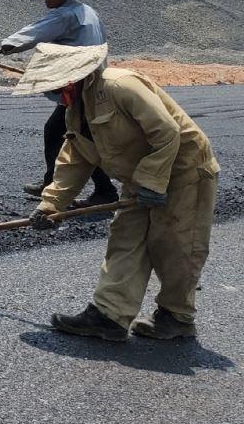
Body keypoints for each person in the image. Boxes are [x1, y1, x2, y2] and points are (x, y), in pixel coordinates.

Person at [16, 42, 219, 341]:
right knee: (125, 239)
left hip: (185, 169)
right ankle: (109, 315)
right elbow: (75, 158)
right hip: (141, 176)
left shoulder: (120, 85)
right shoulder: (75, 111)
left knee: (176, 244)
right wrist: (50, 205)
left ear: (72, 77)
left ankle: (177, 316)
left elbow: (167, 132)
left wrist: (153, 182)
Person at [0, 0, 117, 205]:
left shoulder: (65, 15)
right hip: (94, 82)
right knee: (73, 133)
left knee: (77, 136)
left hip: (81, 88)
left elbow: (32, 34)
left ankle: (103, 191)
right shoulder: (88, 11)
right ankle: (59, 184)